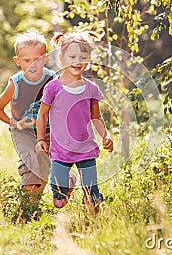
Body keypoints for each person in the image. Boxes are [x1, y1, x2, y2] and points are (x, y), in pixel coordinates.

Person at [35, 31, 114, 213]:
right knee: (58, 198)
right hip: (61, 150)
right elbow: (42, 115)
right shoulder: (53, 87)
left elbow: (96, 117)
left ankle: (93, 223)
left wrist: (105, 136)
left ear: (88, 60)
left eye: (83, 57)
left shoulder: (91, 89)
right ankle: (66, 186)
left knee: (91, 192)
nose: (77, 61)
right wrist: (40, 139)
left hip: (86, 149)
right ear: (62, 58)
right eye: (72, 56)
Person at [0, 31, 55, 197]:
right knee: (30, 161)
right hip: (23, 131)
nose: (33, 65)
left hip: (48, 131)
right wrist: (16, 124)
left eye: (37, 59)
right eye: (27, 61)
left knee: (44, 164)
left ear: (46, 58)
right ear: (18, 61)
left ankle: (35, 202)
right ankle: (26, 204)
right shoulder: (16, 83)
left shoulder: (52, 79)